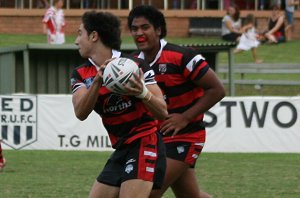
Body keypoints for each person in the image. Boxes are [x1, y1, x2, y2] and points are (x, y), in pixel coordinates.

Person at [128, 5, 226, 198]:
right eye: (134, 28)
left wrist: (184, 118)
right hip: (157, 138)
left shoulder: (183, 56)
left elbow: (217, 90)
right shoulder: (131, 63)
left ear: (158, 30)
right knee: (191, 196)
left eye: (145, 27)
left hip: (186, 135)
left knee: (148, 192)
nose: (139, 33)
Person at [71, 11, 168, 198]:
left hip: (145, 142)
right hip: (121, 147)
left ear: (93, 36)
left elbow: (162, 112)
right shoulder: (81, 74)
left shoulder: (133, 66)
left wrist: (142, 93)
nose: (76, 41)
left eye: (79, 33)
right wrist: (98, 82)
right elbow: (80, 112)